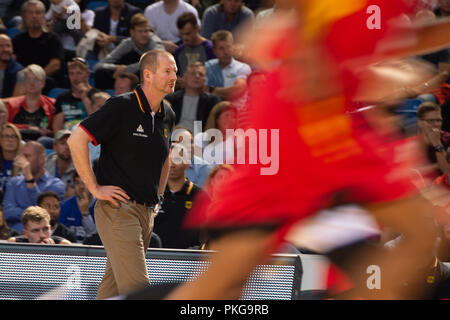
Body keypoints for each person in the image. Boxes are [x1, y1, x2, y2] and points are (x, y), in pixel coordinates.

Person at [166, 3, 441, 300]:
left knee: (419, 238)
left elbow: (401, 37)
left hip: (330, 126)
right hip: (300, 121)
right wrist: (365, 77)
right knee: (224, 280)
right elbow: (268, 43)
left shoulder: (385, 10)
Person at [67, 49, 177, 299]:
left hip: (146, 212)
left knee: (113, 289)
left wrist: (159, 196)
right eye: (167, 71)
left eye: (175, 71)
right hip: (118, 209)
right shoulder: (121, 105)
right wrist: (95, 189)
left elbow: (166, 157)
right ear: (147, 75)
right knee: (138, 289)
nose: (174, 76)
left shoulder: (167, 112)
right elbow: (77, 139)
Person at [3, 140, 65, 233]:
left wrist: (29, 179)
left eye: (27, 156)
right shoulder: (14, 183)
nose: (23, 161)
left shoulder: (56, 185)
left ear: (41, 159)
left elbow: (45, 214)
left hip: (43, 240)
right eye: (22, 156)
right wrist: (32, 214)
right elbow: (8, 212)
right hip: (15, 239)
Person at [93, 13, 165, 90]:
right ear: (132, 32)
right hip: (131, 73)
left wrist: (126, 70)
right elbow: (98, 66)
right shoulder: (128, 43)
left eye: (146, 31)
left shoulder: (154, 41)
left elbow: (160, 60)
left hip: (150, 75)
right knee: (100, 73)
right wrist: (117, 67)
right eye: (140, 31)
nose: (144, 34)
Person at [153, 145, 201, 249]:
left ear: (188, 163)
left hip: (189, 260)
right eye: (169, 160)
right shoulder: (153, 193)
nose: (172, 165)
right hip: (155, 259)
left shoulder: (199, 195)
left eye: (177, 160)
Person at [12, 0, 65, 92]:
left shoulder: (53, 39)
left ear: (44, 16)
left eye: (38, 13)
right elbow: (12, 63)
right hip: (23, 80)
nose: (34, 16)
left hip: (45, 81)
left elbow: (55, 65)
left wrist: (35, 79)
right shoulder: (17, 40)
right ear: (24, 16)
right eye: (30, 13)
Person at [165, 62, 221, 133]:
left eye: (201, 74)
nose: (197, 76)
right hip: (174, 136)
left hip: (201, 138)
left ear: (205, 80)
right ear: (185, 78)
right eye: (193, 74)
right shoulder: (170, 99)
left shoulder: (212, 101)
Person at [5, 64, 54, 141]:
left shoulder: (52, 104)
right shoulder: (11, 104)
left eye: (36, 80)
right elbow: (5, 127)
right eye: (28, 80)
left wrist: (49, 132)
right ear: (24, 83)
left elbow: (57, 131)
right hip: (15, 142)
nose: (31, 83)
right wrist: (28, 128)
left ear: (43, 83)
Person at [52, 57, 100, 131]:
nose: (75, 78)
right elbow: (57, 126)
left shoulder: (98, 96)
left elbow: (98, 122)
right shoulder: (63, 97)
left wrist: (84, 98)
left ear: (87, 74)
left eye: (79, 73)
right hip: (67, 138)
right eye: (71, 74)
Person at [204, 30, 251, 105]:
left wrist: (210, 89)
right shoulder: (208, 66)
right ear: (214, 51)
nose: (226, 52)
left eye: (228, 47)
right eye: (221, 48)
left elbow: (237, 90)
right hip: (213, 112)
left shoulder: (243, 67)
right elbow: (201, 90)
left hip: (237, 111)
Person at [58, 171, 97, 243]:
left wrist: (85, 214)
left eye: (85, 182)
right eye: (77, 183)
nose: (81, 187)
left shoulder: (101, 206)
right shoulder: (65, 206)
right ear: (73, 186)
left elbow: (97, 238)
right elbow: (61, 236)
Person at [174, 12, 215, 77]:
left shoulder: (209, 49)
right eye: (182, 34)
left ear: (197, 28)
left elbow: (214, 74)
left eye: (188, 33)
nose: (185, 38)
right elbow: (175, 74)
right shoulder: (179, 51)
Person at [416, 101, 450, 177]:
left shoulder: (448, 139)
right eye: (431, 121)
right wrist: (436, 166)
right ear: (420, 123)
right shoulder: (414, 143)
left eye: (438, 120)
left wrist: (437, 144)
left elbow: (447, 173)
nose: (436, 124)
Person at [45, 129, 76, 197]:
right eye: (63, 143)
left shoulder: (81, 168)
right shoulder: (45, 164)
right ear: (55, 147)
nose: (67, 147)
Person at [0, 123, 22, 192]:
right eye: (6, 136)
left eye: (14, 136)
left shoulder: (25, 164)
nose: (10, 140)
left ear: (19, 140)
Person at [0, 34, 23, 98]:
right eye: (1, 46)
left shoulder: (20, 72)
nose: (5, 49)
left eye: (8, 46)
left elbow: (15, 101)